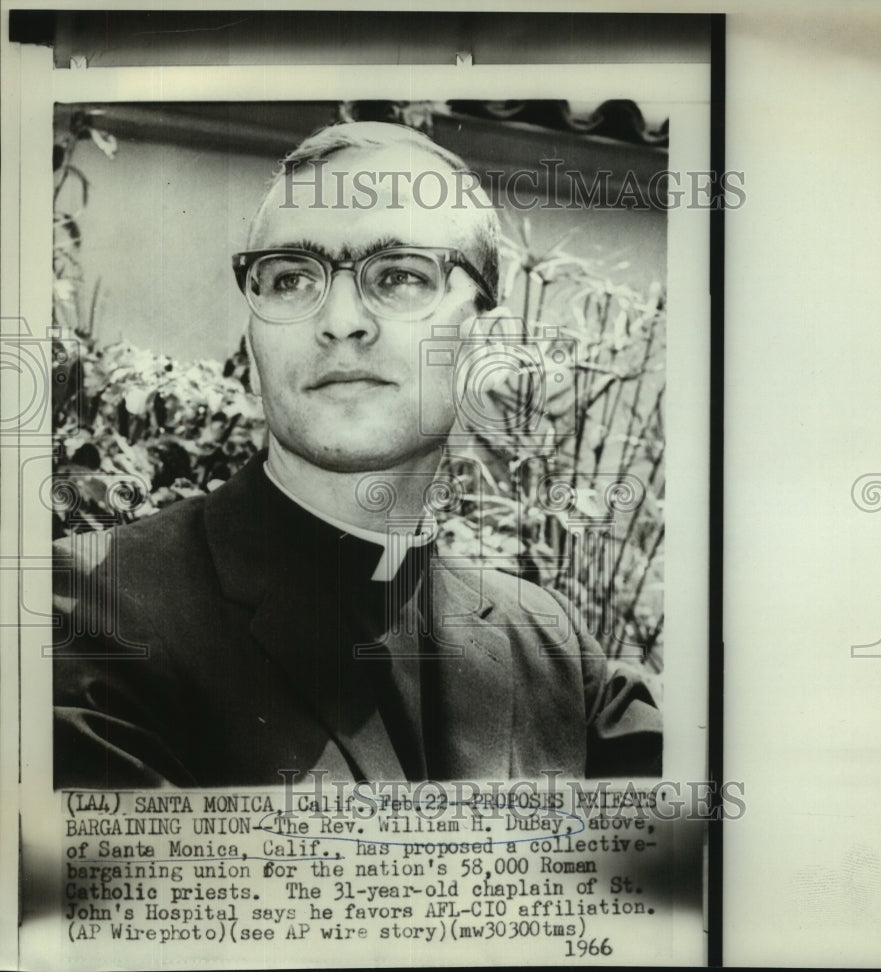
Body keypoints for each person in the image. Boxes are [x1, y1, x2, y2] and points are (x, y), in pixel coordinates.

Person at [52, 121, 662, 788]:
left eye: (398, 274)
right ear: (254, 336)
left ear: (487, 345)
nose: (339, 318)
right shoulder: (86, 611)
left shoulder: (558, 656)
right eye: (289, 279)